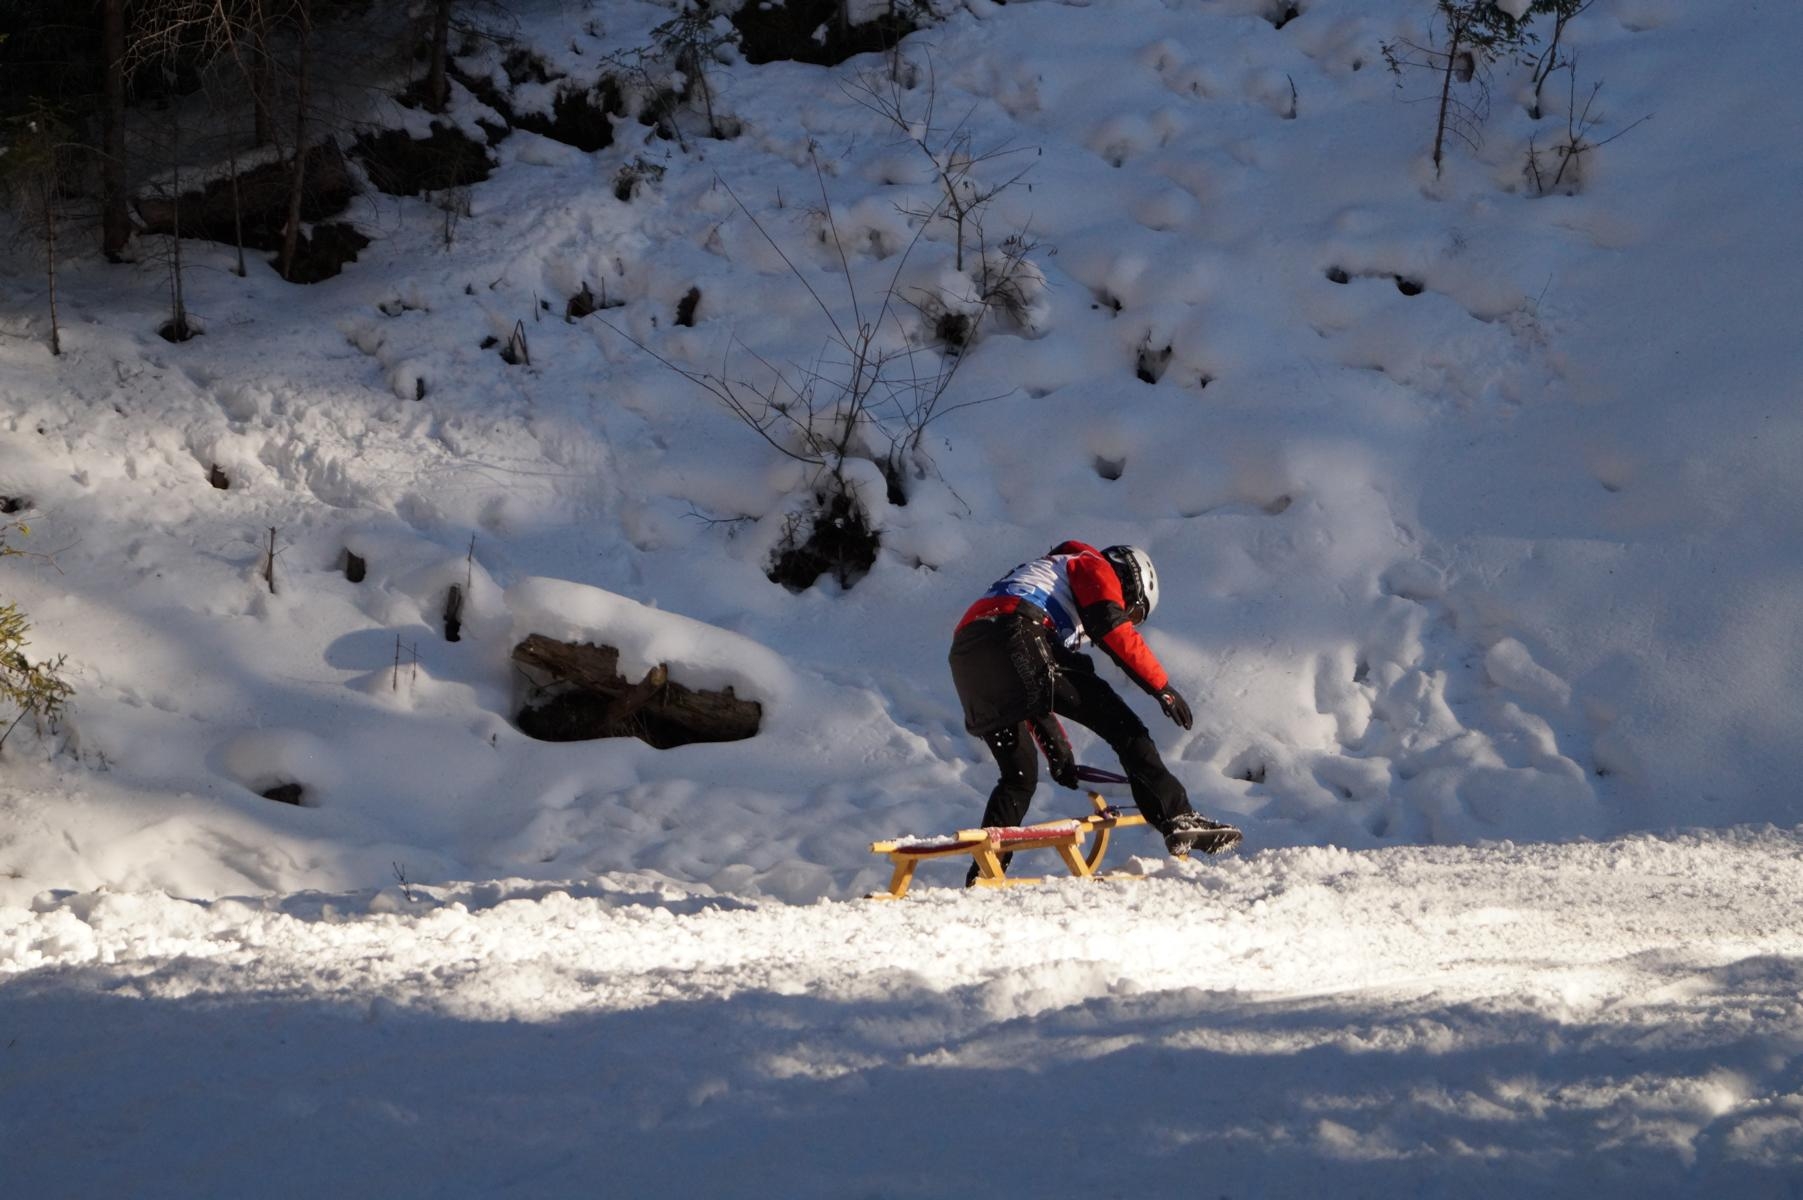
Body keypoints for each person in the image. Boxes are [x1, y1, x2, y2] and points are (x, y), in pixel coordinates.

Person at [948, 541, 1240, 883]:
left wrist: (1059, 753)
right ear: (1129, 580)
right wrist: (1161, 686)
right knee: (1125, 727)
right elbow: (1109, 625)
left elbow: (1029, 689)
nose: (1128, 617)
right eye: (1133, 612)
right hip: (1019, 632)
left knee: (1018, 777)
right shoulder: (1092, 564)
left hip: (968, 657)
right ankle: (1178, 816)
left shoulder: (1046, 577)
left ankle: (985, 873)